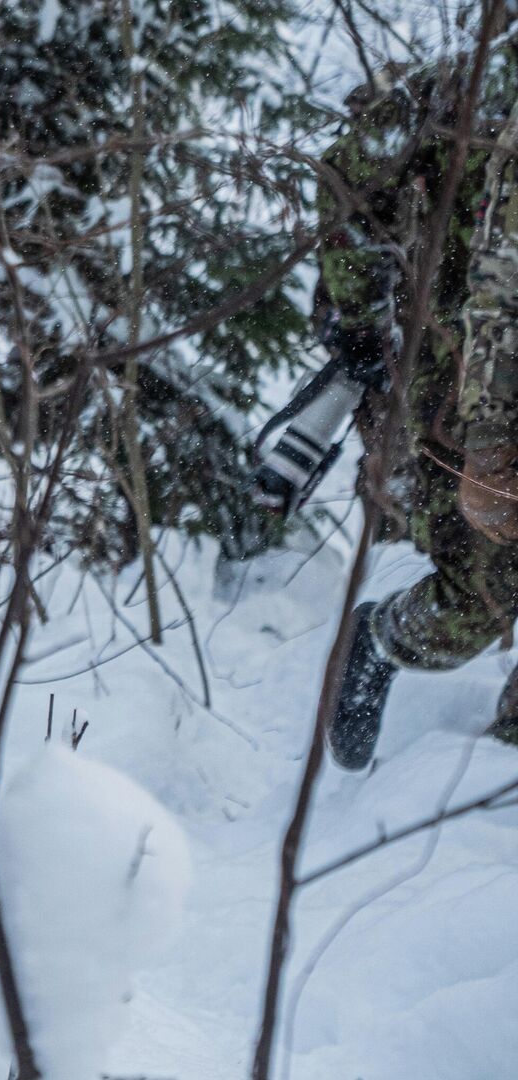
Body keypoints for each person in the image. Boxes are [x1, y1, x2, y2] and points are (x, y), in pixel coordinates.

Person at [320, 50, 518, 769]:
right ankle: (378, 641)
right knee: (480, 598)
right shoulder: (465, 83)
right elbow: (348, 185)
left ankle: (502, 768)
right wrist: (358, 316)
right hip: (461, 380)